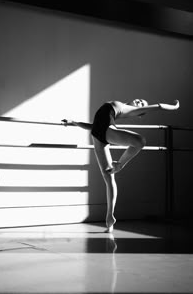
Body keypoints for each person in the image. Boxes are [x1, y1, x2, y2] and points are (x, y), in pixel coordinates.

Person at [62, 99, 180, 232]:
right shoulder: (120, 107)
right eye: (140, 100)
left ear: (140, 113)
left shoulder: (129, 109)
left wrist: (175, 107)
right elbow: (95, 126)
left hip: (106, 132)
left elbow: (158, 106)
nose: (139, 101)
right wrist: (75, 123)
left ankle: (120, 165)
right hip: (98, 135)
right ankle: (109, 217)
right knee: (109, 178)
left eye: (142, 104)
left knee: (140, 141)